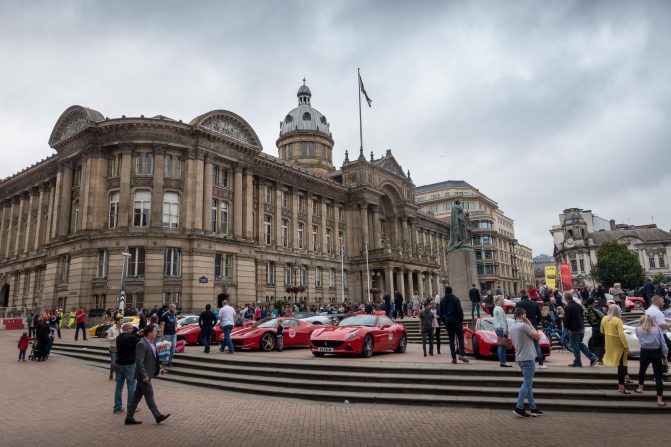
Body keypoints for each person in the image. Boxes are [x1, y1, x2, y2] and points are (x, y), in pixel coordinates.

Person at [125, 324, 170, 425]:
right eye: (154, 331)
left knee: (137, 396)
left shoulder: (152, 342)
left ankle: (129, 417)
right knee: (149, 395)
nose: (156, 333)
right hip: (144, 376)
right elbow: (139, 361)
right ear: (149, 333)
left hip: (148, 374)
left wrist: (160, 369)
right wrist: (144, 375)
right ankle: (157, 415)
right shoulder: (142, 344)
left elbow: (154, 359)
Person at [509, 307, 543, 418]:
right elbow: (537, 336)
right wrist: (530, 324)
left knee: (528, 383)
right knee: (527, 382)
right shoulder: (523, 326)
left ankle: (533, 408)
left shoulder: (512, 327)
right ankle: (519, 407)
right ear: (523, 315)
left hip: (519, 357)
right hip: (528, 356)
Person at [634, 314, 668, 406]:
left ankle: (640, 388)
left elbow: (639, 338)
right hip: (656, 352)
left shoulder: (637, 330)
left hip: (644, 351)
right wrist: (665, 354)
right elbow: (663, 344)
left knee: (642, 370)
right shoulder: (657, 330)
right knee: (658, 376)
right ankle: (659, 400)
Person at [601, 305, 630, 394]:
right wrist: (626, 345)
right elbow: (621, 335)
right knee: (621, 364)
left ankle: (626, 377)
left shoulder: (604, 319)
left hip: (609, 344)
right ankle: (621, 386)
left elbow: (602, 331)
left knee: (621, 363)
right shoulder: (618, 321)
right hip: (618, 345)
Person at [515, 290, 545, 369]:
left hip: (521, 325)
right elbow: (539, 316)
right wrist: (535, 322)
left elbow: (516, 316)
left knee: (521, 344)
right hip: (533, 325)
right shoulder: (534, 303)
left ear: (521, 294)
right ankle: (541, 363)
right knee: (536, 345)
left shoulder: (519, 304)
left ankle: (521, 362)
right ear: (527, 295)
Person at [564, 297, 598, 368]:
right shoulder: (578, 305)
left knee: (575, 345)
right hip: (581, 327)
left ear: (567, 299)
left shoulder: (569, 307)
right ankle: (592, 358)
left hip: (574, 329)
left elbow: (567, 318)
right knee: (580, 343)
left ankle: (578, 362)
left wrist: (566, 326)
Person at [114, 322, 139, 414]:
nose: (133, 330)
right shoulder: (132, 337)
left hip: (119, 363)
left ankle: (117, 407)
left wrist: (136, 334)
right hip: (129, 364)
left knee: (119, 386)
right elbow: (139, 342)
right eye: (132, 329)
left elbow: (131, 340)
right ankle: (131, 407)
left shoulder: (119, 337)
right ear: (128, 329)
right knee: (131, 386)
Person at [439, 287, 469, 364]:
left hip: (448, 320)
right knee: (460, 337)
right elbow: (460, 310)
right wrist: (461, 320)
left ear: (445, 291)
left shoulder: (442, 301)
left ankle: (454, 358)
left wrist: (445, 321)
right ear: (451, 291)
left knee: (451, 340)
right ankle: (461, 354)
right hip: (456, 320)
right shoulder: (456, 299)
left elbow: (440, 313)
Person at [585, 298, 605, 364]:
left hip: (593, 328)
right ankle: (600, 360)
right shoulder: (596, 310)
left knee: (594, 343)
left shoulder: (586, 311)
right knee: (601, 344)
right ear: (593, 303)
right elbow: (603, 318)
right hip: (600, 328)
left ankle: (595, 357)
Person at [493, 296, 511, 367]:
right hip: (501, 328)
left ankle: (501, 361)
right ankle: (503, 362)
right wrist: (505, 330)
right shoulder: (500, 309)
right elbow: (502, 320)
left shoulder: (495, 308)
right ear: (497, 301)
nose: (503, 301)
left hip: (497, 328)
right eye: (502, 300)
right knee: (502, 345)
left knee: (500, 345)